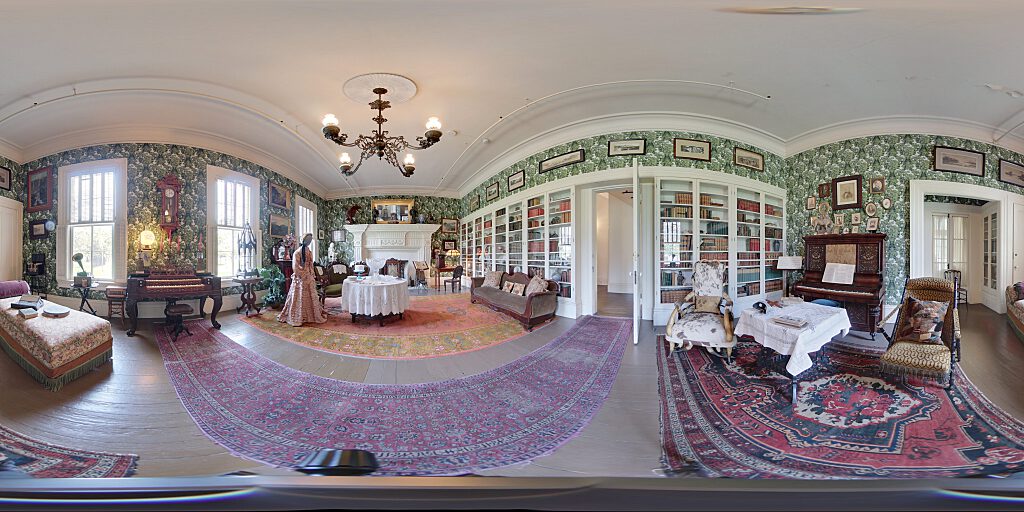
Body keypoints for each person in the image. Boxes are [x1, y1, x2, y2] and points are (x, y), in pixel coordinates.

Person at [277, 233, 328, 327]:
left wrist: (311, 273)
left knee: (311, 295)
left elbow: (311, 264)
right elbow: (295, 267)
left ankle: (312, 315)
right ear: (303, 240)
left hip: (309, 276)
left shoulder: (309, 251)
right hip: (301, 278)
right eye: (307, 239)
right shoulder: (297, 252)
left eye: (310, 240)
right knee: (299, 295)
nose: (309, 241)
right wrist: (303, 275)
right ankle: (299, 316)